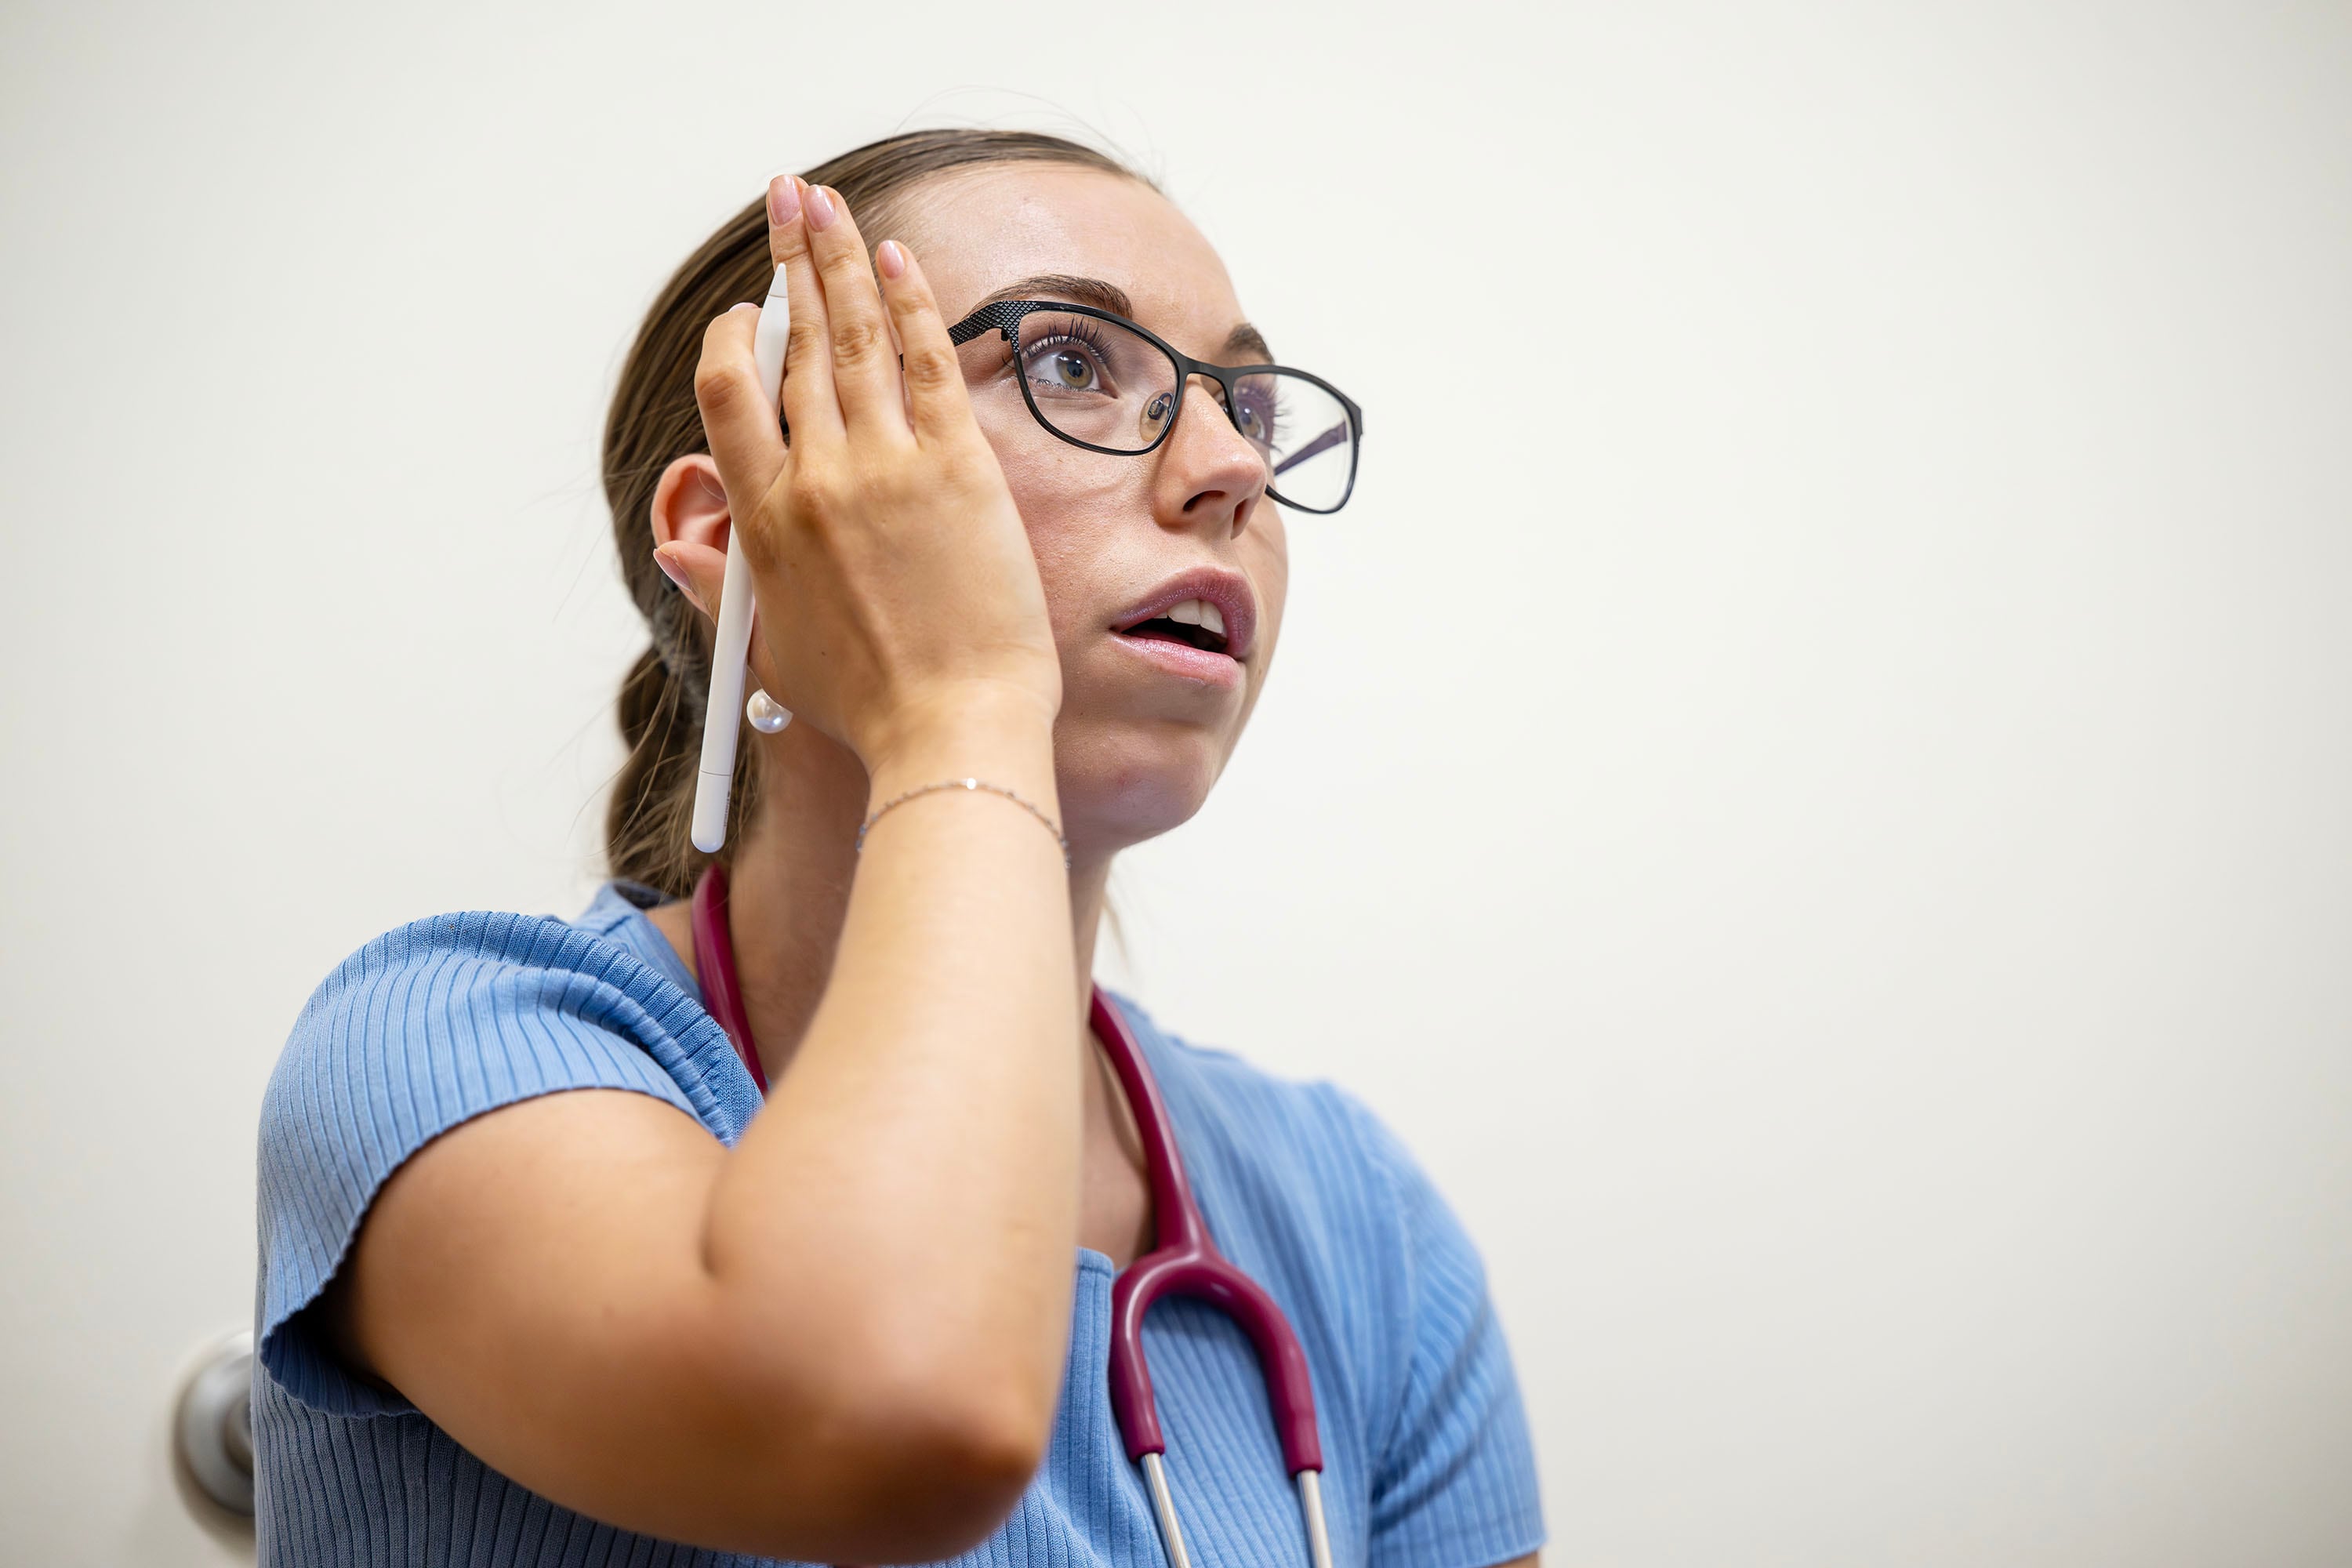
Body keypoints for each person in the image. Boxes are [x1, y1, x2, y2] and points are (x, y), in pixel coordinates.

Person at [252, 127, 1546, 1568]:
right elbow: (892, 1414)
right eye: (1069, 362)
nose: (1234, 466)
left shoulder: (1355, 1217)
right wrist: (959, 705)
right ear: (740, 525)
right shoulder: (435, 1059)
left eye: (1244, 401)